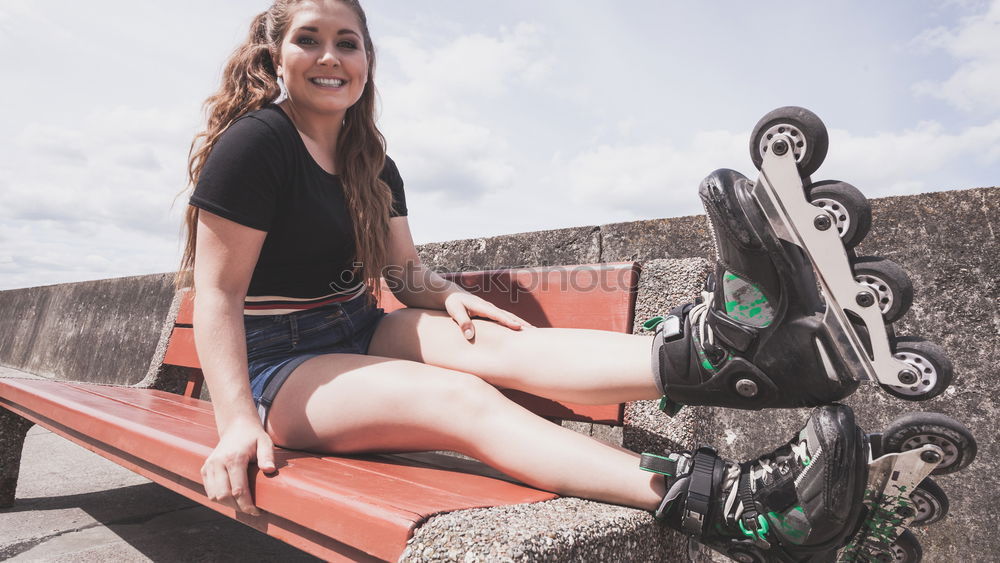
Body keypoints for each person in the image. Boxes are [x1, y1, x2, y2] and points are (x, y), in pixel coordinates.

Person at [178, 1, 870, 559]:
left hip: (355, 326)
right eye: (310, 39)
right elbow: (217, 294)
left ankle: (732, 349)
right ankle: (730, 503)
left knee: (509, 346)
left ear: (367, 59)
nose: (330, 56)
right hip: (275, 364)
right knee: (458, 399)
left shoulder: (371, 160)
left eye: (347, 42)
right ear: (277, 57)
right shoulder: (256, 145)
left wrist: (445, 295)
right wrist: (235, 422)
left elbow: (401, 270)